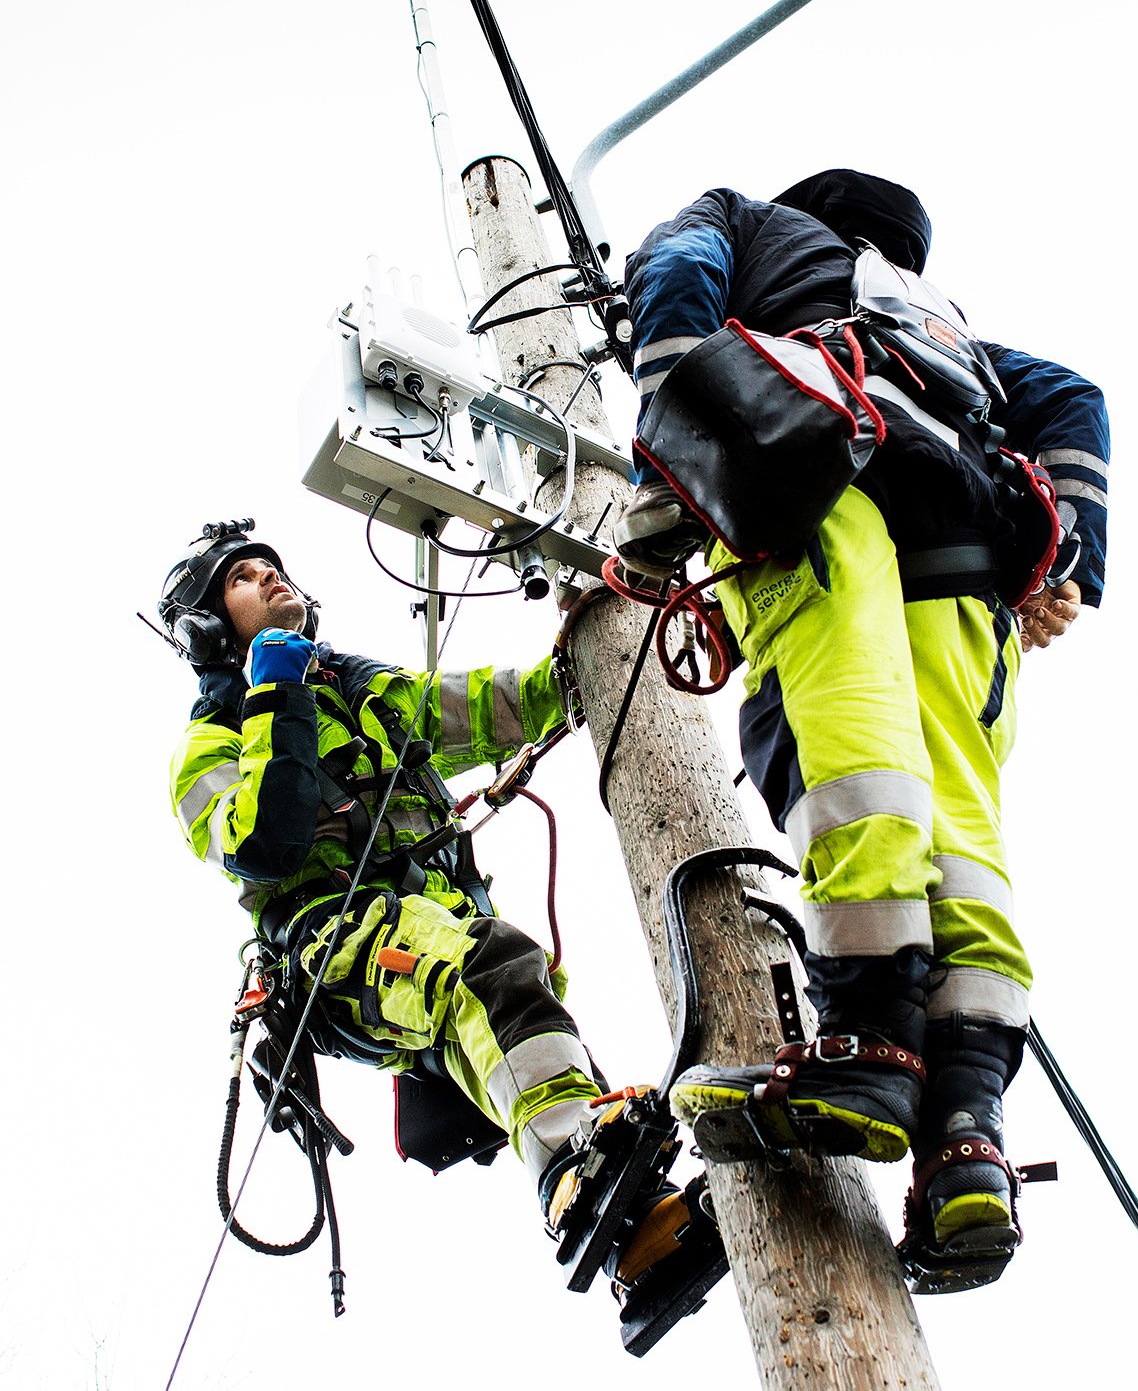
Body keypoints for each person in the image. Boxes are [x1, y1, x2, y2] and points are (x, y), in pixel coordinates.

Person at [611, 169, 1109, 1283]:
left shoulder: (745, 222)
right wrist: (1070, 562)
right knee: (961, 836)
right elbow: (1074, 396)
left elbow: (677, 271)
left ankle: (868, 1043)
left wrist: (668, 422)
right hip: (971, 557)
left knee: (848, 749)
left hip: (819, 470)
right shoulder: (948, 331)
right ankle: (965, 1135)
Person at [159, 518, 723, 1340]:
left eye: (274, 567)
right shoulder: (207, 745)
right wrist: (273, 680)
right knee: (489, 969)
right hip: (337, 952)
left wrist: (589, 660)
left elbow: (490, 704)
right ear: (209, 628)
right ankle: (571, 1171)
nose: (272, 579)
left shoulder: (361, 692)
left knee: (532, 1018)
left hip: (433, 928)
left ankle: (637, 1240)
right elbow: (265, 842)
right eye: (244, 578)